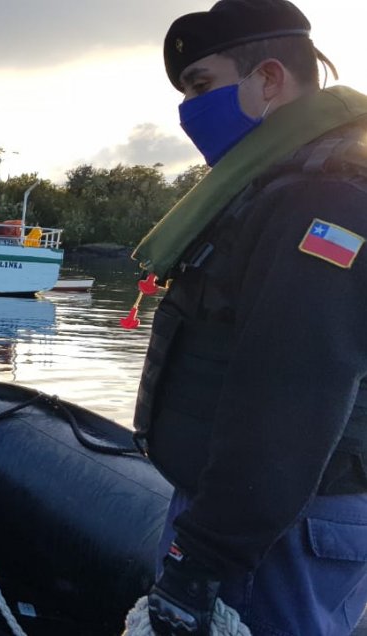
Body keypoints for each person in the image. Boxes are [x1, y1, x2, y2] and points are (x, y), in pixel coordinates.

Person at [131, 1, 367, 634]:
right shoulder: (279, 188)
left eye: (202, 86)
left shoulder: (324, 198)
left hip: (280, 528)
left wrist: (201, 557)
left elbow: (297, 392)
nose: (188, 112)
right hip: (259, 516)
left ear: (267, 79)